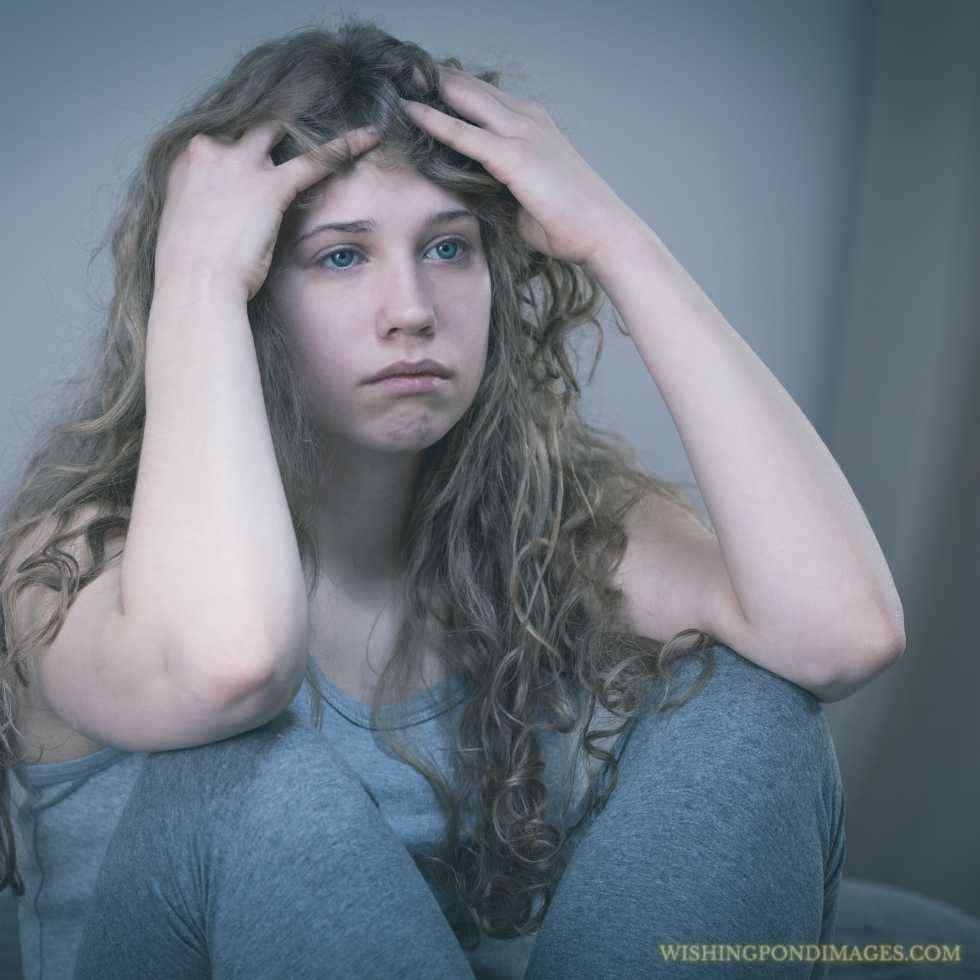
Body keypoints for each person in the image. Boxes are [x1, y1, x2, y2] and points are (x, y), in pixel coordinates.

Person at [0, 17, 904, 979]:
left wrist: (615, 240)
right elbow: (229, 670)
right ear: (253, 294)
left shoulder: (549, 526)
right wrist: (193, 280)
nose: (413, 310)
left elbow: (841, 634)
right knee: (245, 773)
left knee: (753, 707)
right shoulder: (71, 564)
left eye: (449, 248)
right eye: (341, 256)